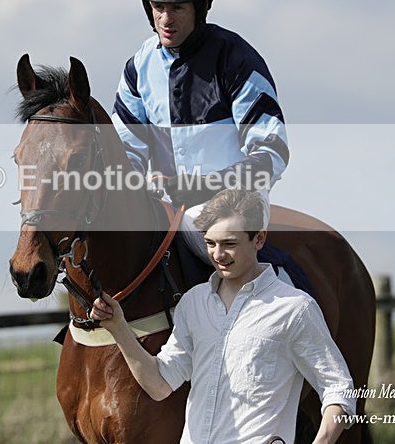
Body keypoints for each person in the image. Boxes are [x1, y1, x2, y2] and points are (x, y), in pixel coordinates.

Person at [89, 189, 354, 443]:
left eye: (229, 244)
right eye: (210, 243)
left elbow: (339, 390)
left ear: (259, 239)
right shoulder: (193, 304)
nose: (218, 255)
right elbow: (159, 385)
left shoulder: (295, 308)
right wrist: (119, 328)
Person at [111, 0, 289, 268]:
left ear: (200, 6)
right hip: (165, 206)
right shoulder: (138, 67)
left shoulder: (236, 58)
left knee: (206, 238)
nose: (166, 19)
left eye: (177, 7)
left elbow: (272, 151)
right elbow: (127, 151)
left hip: (235, 204)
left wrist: (202, 186)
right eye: (158, 6)